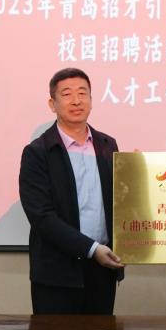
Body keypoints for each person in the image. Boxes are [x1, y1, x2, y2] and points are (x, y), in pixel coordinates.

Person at [19, 68, 124, 314]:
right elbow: (41, 216)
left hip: (103, 270)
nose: (76, 101)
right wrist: (91, 249)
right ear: (52, 104)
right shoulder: (38, 152)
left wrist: (137, 175)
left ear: (91, 100)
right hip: (57, 275)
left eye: (83, 93)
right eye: (67, 94)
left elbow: (119, 201)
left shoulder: (107, 145)